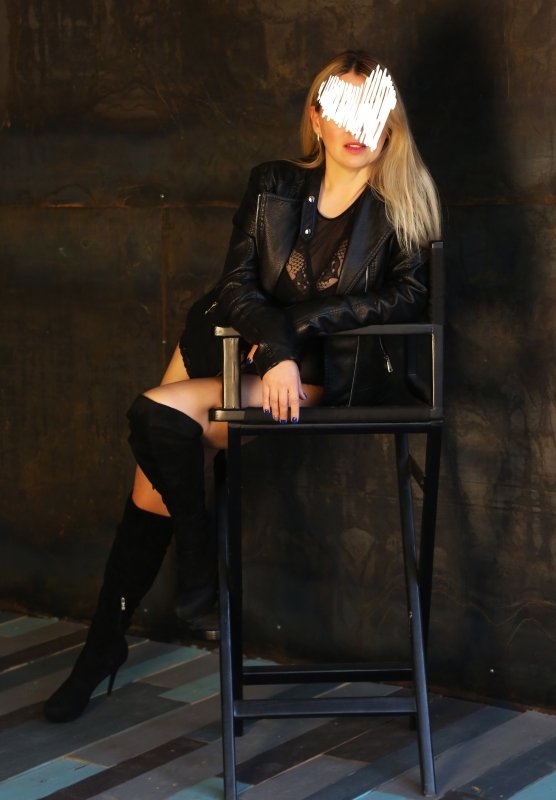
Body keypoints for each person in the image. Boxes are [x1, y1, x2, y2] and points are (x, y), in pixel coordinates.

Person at [44, 50, 441, 723]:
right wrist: (274, 342)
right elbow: (236, 286)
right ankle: (124, 631)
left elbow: (406, 299)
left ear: (390, 122)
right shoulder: (273, 184)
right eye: (341, 108)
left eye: (371, 110)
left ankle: (175, 587)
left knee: (159, 426)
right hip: (225, 338)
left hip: (311, 372)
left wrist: (298, 332)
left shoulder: (400, 208)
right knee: (153, 473)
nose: (356, 126)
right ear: (316, 117)